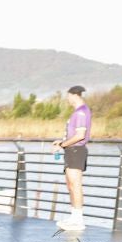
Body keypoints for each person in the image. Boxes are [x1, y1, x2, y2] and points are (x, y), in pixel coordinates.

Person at [52, 85, 91, 232]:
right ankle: (74, 217)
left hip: (76, 150)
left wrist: (62, 145)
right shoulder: (78, 112)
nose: (67, 99)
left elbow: (80, 136)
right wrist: (61, 143)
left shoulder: (81, 113)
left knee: (75, 185)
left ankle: (78, 220)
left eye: (68, 96)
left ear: (74, 95)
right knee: (70, 184)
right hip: (71, 150)